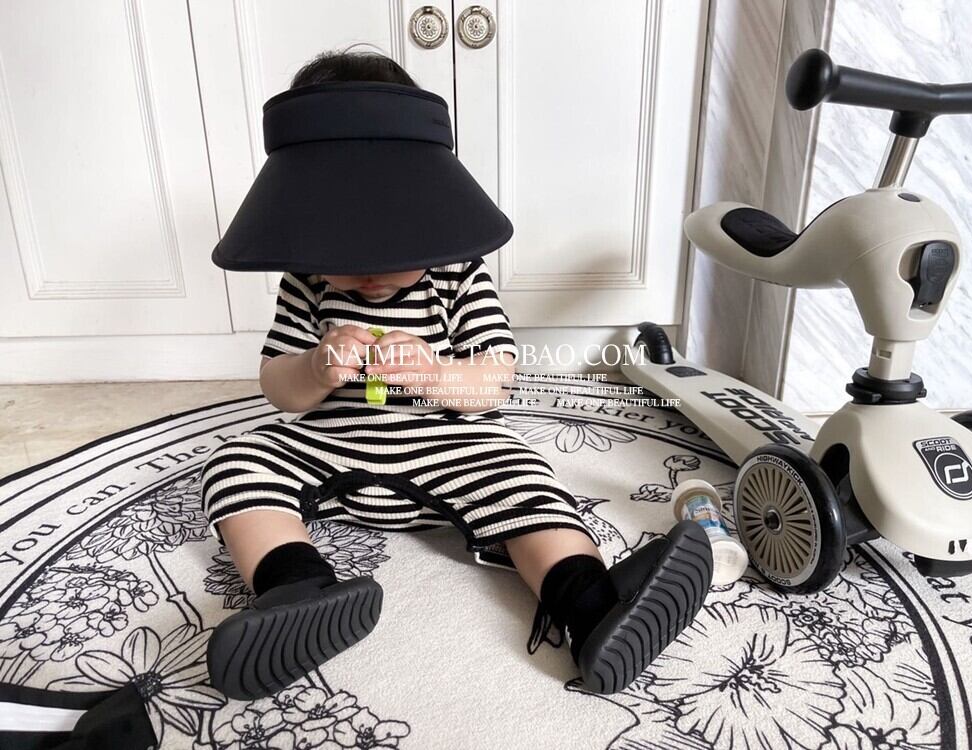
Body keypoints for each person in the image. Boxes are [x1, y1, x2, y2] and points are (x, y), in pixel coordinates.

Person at [199, 50, 713, 702]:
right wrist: (316, 366)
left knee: (523, 477)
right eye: (341, 246)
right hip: (328, 445)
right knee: (236, 463)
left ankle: (591, 607)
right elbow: (278, 387)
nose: (369, 268)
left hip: (449, 446)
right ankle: (294, 590)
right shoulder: (305, 281)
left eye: (393, 244)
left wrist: (435, 374)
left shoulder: (457, 273)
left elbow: (495, 380)